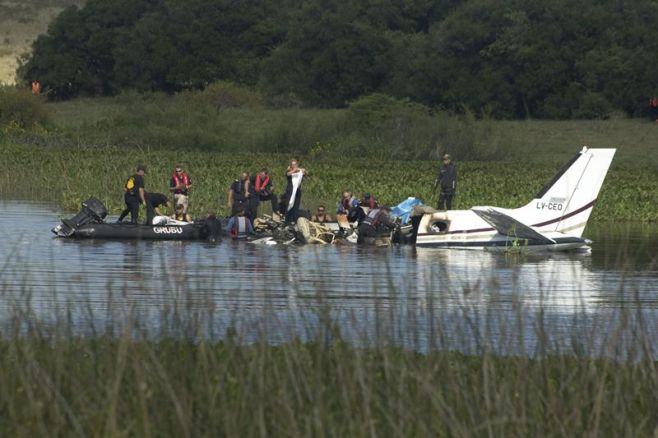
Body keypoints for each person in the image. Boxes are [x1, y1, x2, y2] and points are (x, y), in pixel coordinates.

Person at [283, 159, 307, 223]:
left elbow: (305, 173)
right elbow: (288, 174)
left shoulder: (299, 171)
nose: (294, 166)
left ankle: (294, 220)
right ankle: (287, 221)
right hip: (290, 191)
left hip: (297, 191)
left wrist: (302, 171)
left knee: (296, 206)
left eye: (295, 164)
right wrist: (294, 170)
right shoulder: (289, 170)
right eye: (292, 164)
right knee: (289, 205)